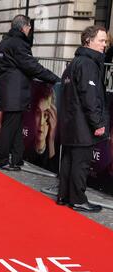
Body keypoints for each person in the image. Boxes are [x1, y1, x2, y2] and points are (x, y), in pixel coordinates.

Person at [0, 15, 60, 171]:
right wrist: (55, 78)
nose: (30, 30)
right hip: (14, 93)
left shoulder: (4, 42)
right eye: (29, 27)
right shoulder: (19, 44)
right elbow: (32, 66)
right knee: (10, 127)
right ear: (24, 27)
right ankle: (2, 160)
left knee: (16, 127)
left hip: (8, 91)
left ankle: (17, 159)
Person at [57, 25, 109, 213]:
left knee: (69, 160)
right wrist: (98, 123)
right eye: (101, 40)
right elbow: (90, 96)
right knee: (81, 163)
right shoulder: (87, 64)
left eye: (106, 41)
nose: (105, 44)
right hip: (82, 125)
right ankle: (78, 199)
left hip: (71, 122)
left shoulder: (75, 62)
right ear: (88, 40)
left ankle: (64, 196)